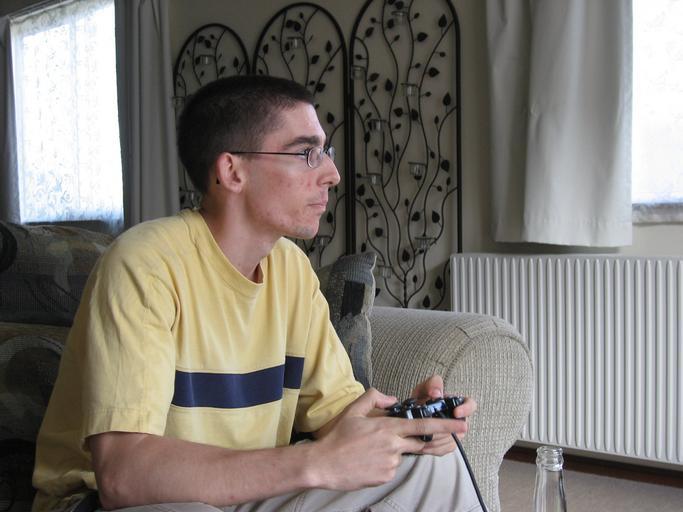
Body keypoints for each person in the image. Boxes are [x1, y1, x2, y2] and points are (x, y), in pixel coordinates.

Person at [32, 75, 483, 512]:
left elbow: (338, 421)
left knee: (430, 467)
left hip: (248, 490)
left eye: (325, 152)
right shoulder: (145, 265)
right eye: (306, 153)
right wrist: (314, 463)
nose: (332, 174)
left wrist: (410, 424)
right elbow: (123, 476)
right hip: (116, 501)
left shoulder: (291, 270)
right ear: (232, 171)